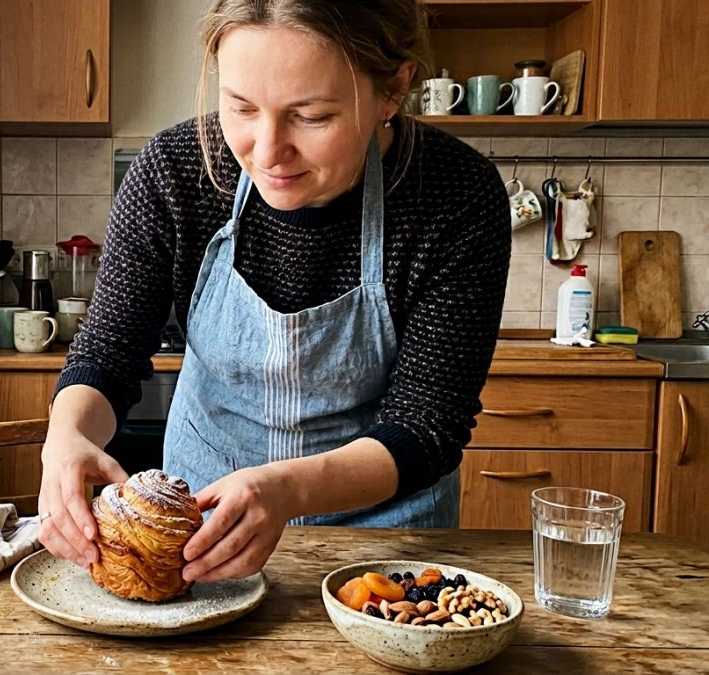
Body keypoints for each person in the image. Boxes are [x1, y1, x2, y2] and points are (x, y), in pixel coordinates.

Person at [38, 0, 511, 586]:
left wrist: (285, 488)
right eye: (241, 107)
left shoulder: (457, 195)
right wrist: (67, 438)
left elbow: (426, 428)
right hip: (201, 532)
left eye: (311, 116)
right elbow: (107, 353)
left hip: (386, 543)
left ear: (393, 88)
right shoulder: (175, 170)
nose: (266, 152)